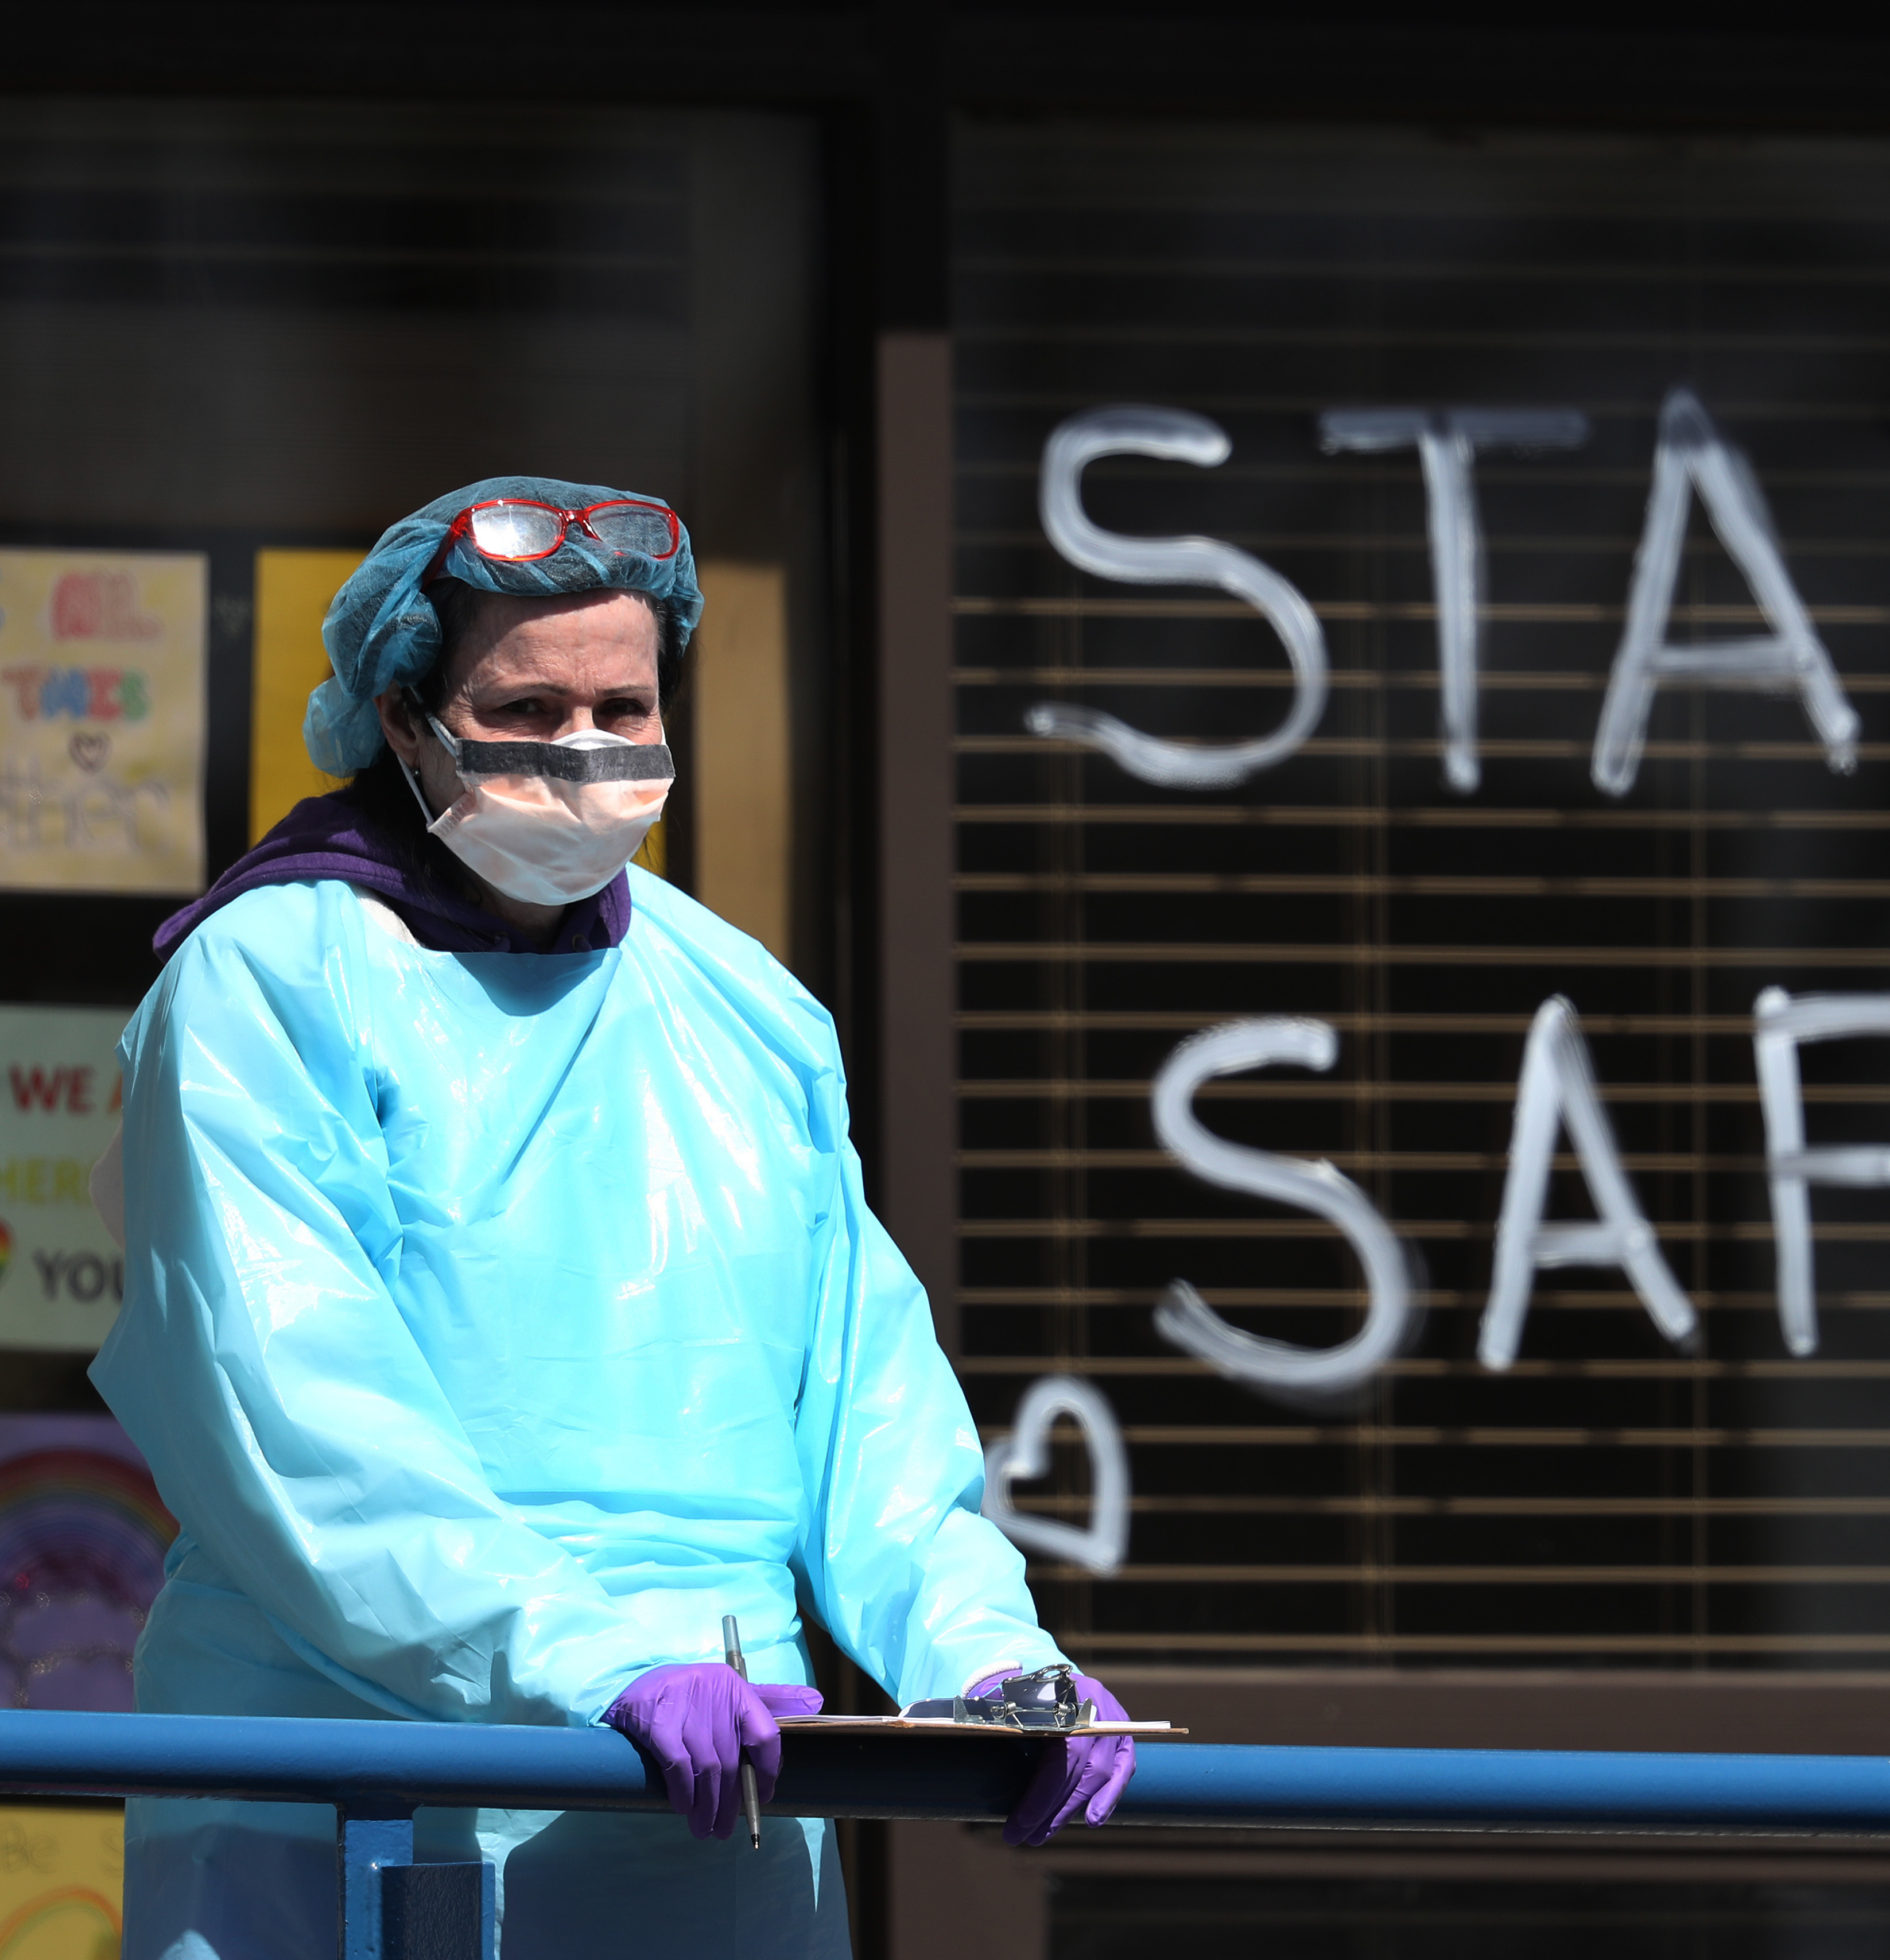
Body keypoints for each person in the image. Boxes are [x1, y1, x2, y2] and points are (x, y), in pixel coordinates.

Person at [90, 478, 1131, 1960]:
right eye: (521, 710)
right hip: (356, 1801)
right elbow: (298, 1428)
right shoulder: (269, 986)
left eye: (622, 704)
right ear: (403, 718)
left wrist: (987, 1664)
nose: (582, 746)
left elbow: (867, 1406)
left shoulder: (748, 1011)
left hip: (726, 1809)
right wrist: (594, 1666)